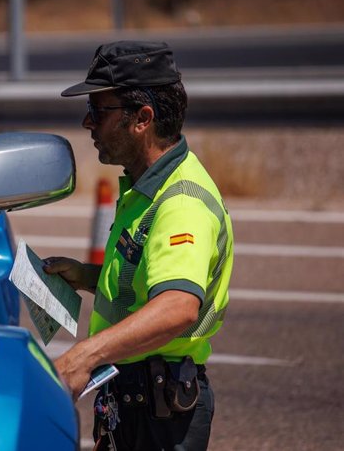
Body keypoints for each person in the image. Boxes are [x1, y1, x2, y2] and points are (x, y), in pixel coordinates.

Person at [43, 41, 234, 450]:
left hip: (158, 414)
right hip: (136, 399)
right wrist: (88, 276)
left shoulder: (180, 201)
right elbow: (152, 281)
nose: (87, 123)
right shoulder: (146, 188)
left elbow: (177, 307)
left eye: (99, 111)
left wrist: (83, 357)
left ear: (142, 118)